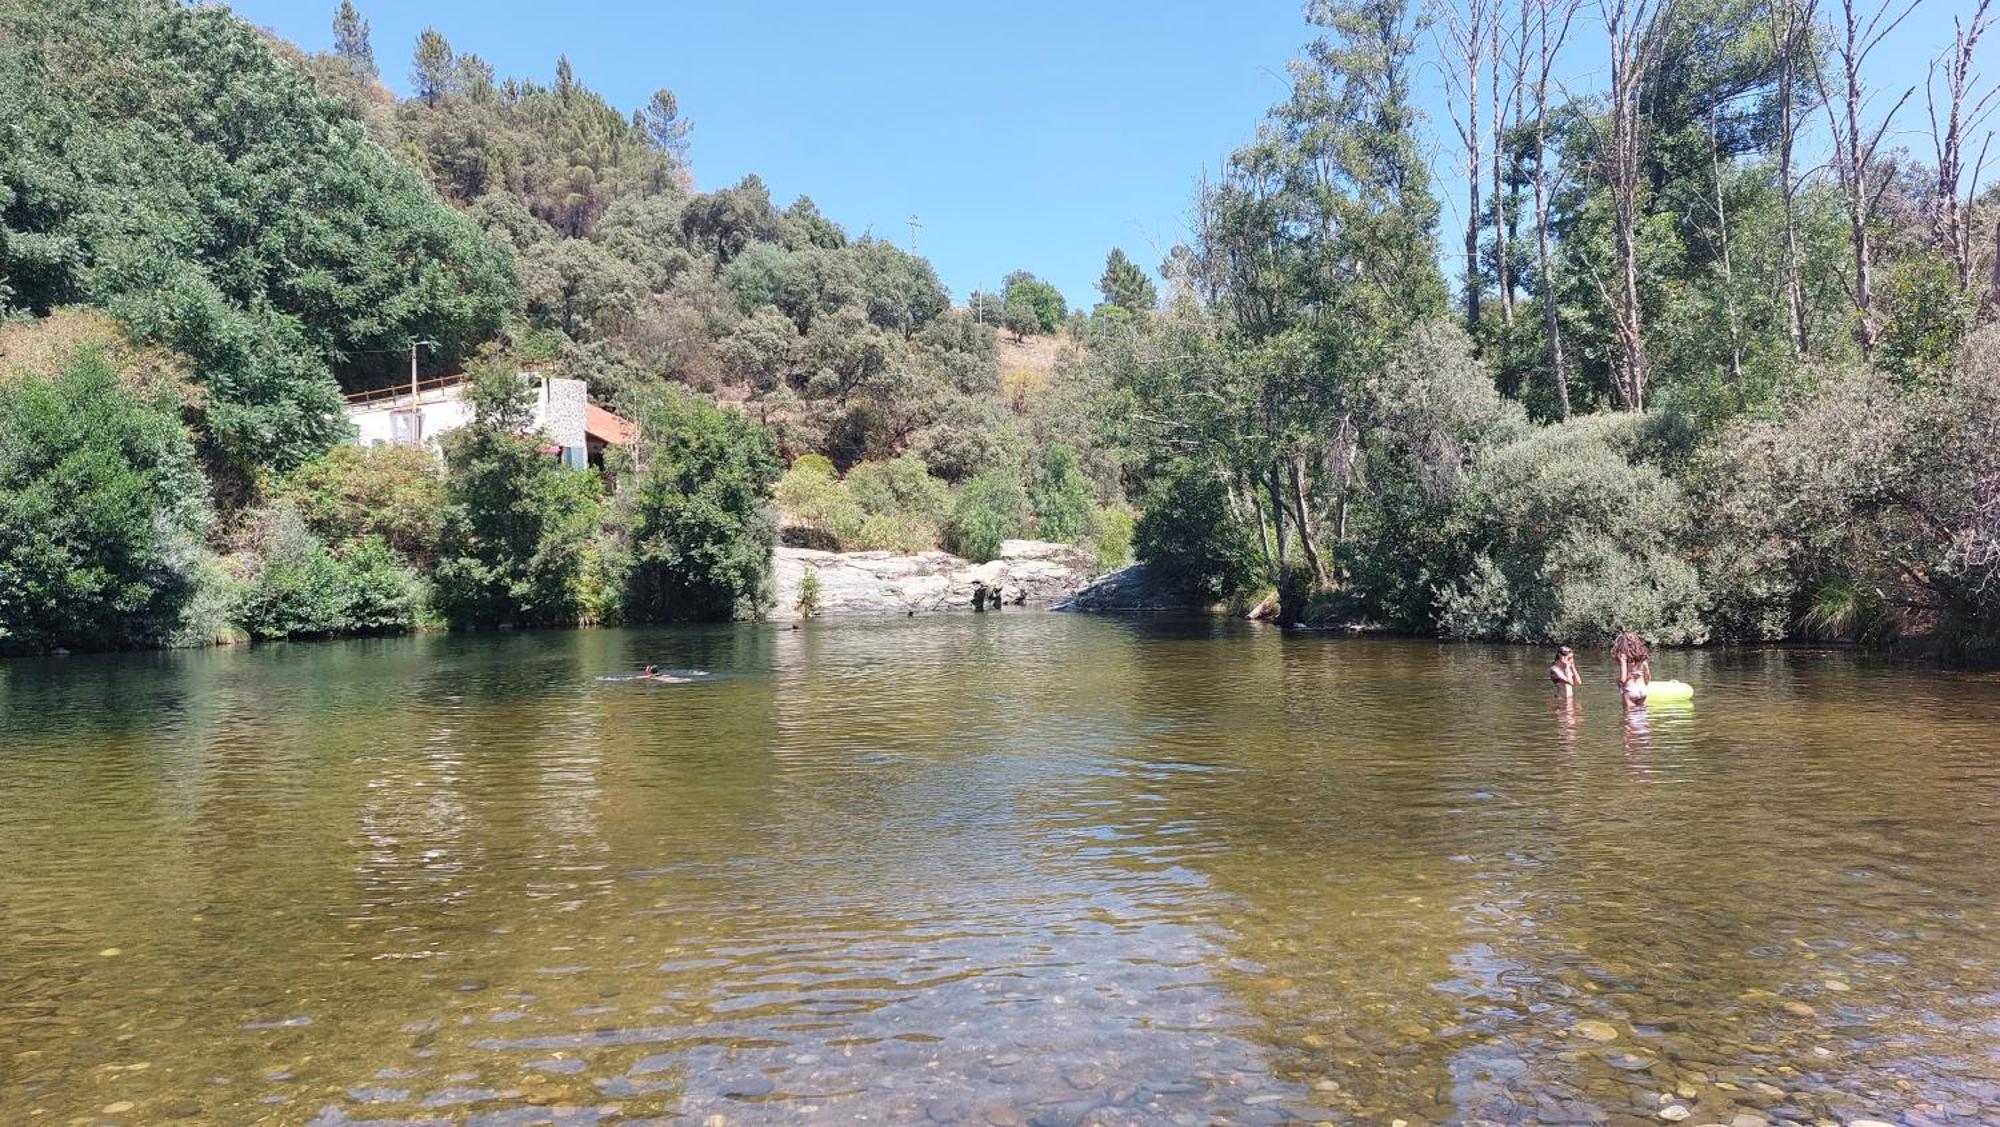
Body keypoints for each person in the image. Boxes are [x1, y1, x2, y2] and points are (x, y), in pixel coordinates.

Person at [1611, 631, 1651, 704]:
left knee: (1629, 714)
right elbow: (1647, 675)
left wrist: (1619, 684)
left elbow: (1623, 678)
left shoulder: (1623, 655)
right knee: (1642, 714)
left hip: (1630, 690)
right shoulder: (1642, 655)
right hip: (1643, 690)